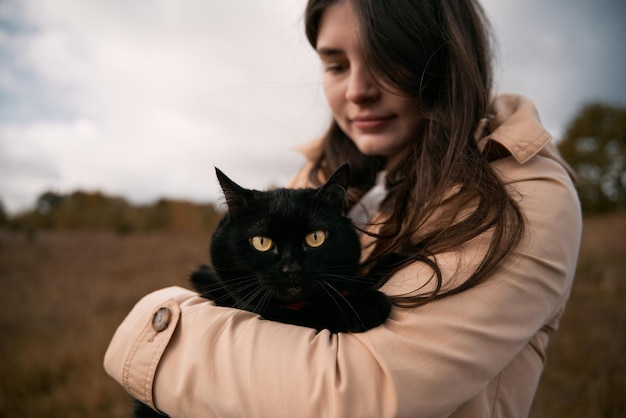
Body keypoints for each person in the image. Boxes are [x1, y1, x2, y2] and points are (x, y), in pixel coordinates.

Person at [104, 0, 582, 416]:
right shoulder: (318, 177)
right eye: (335, 66)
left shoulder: (518, 191)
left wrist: (156, 325)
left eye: (387, 61)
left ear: (444, 59)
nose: (357, 90)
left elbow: (355, 395)